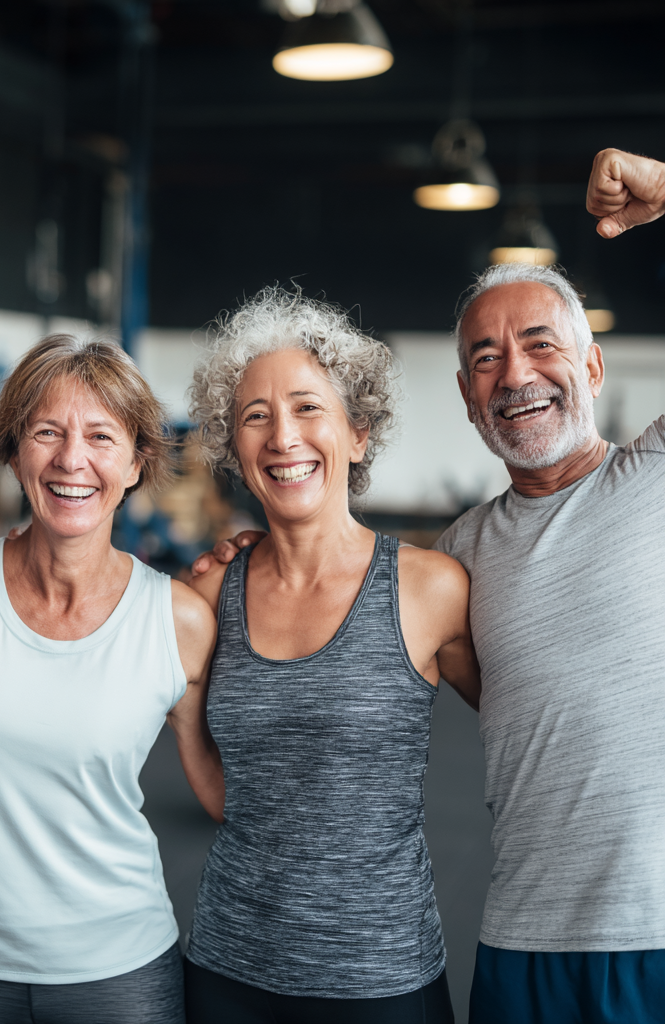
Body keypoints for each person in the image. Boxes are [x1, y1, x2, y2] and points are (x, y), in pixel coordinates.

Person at [199, 149, 665, 1023]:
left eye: (540, 345)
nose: (515, 375)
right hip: (522, 942)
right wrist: (265, 551)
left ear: (593, 366)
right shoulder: (457, 560)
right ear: (464, 395)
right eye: (486, 359)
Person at [0, 334, 220, 1024]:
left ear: (137, 463)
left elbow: (227, 795)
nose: (73, 459)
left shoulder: (178, 620)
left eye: (102, 436)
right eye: (47, 431)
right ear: (15, 451)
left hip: (122, 970)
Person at [179, 287, 479, 1024]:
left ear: (359, 433)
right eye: (255, 416)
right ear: (233, 448)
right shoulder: (213, 589)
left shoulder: (429, 588)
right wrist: (185, 703)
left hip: (382, 980)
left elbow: (534, 728)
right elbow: (228, 799)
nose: (282, 437)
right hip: (228, 970)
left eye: (309, 408)